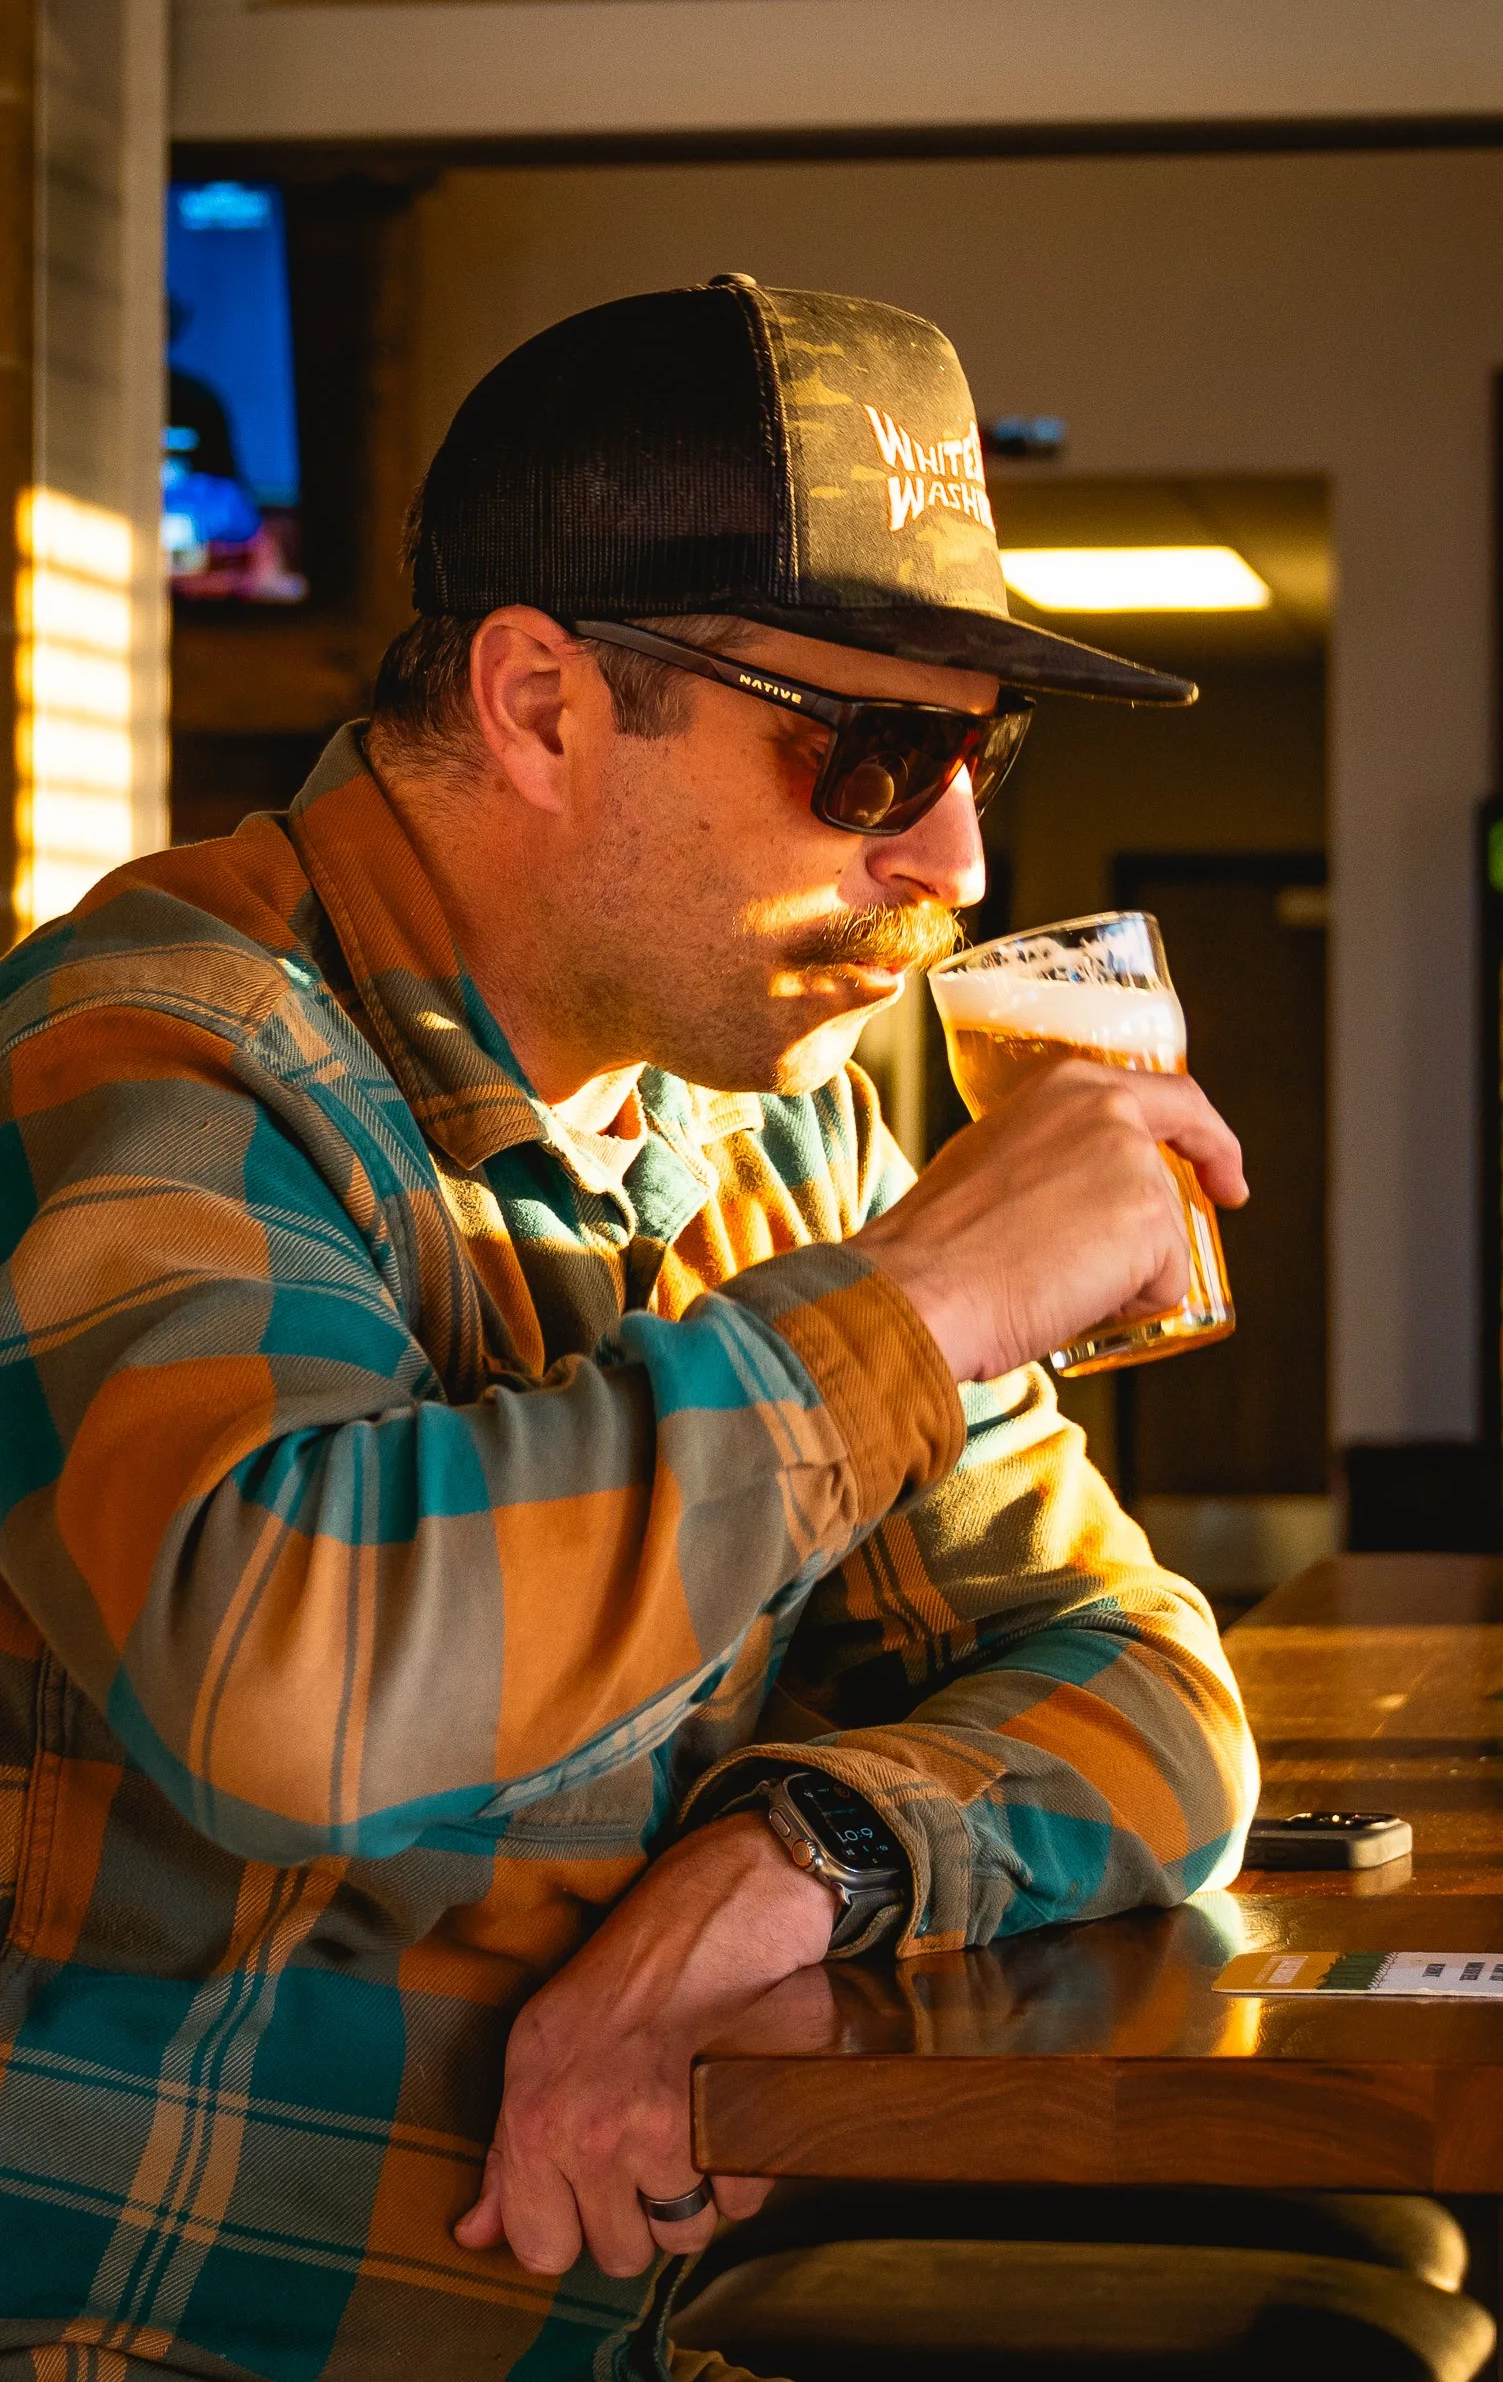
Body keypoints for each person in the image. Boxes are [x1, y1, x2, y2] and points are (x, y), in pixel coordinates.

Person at [0, 278, 1257, 2380]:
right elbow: (285, 1676)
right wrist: (926, 1300)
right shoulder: (159, 1048)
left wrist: (799, 1857)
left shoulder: (769, 1121)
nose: (953, 855)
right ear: (541, 705)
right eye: (873, 755)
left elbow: (1142, 1677)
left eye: (980, 751)